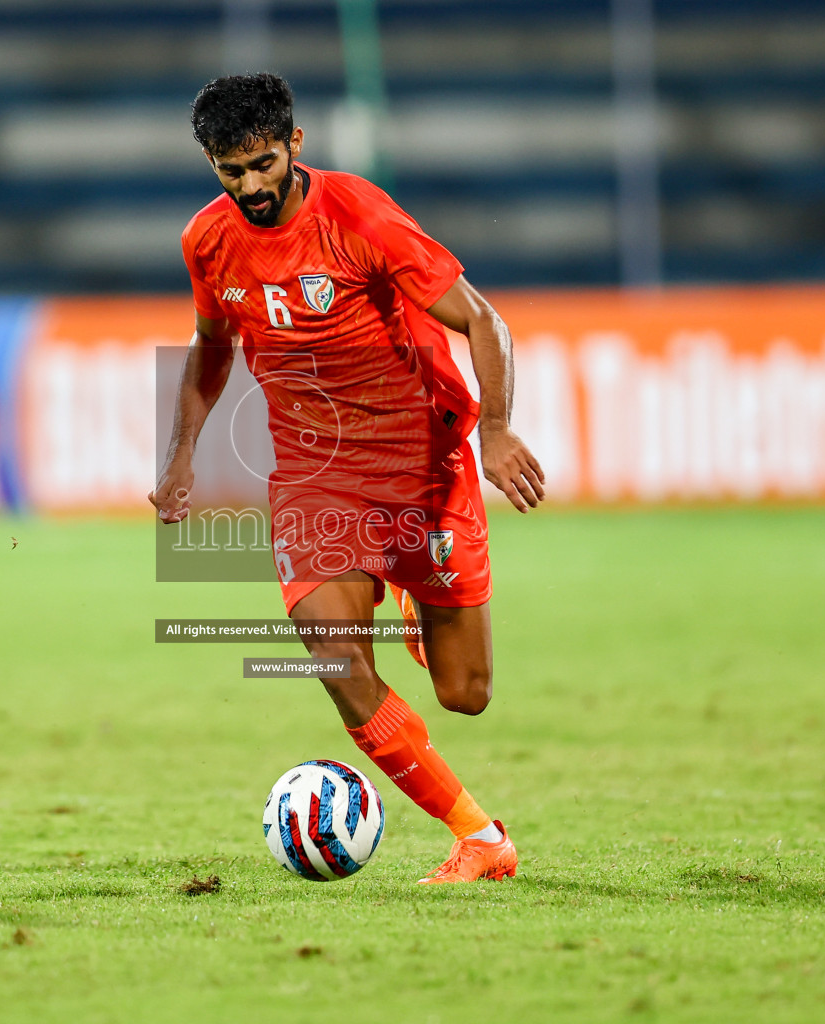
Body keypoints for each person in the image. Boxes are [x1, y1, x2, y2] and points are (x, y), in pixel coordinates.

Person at [150, 73, 545, 884]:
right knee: (331, 654)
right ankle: (480, 836)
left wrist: (496, 429)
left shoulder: (359, 216)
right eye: (232, 171)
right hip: (313, 472)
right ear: (210, 164)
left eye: (263, 163)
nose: (252, 186)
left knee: (466, 694)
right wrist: (181, 450)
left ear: (296, 144)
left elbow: (481, 318)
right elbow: (212, 345)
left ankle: (407, 594)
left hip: (419, 460)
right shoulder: (207, 241)